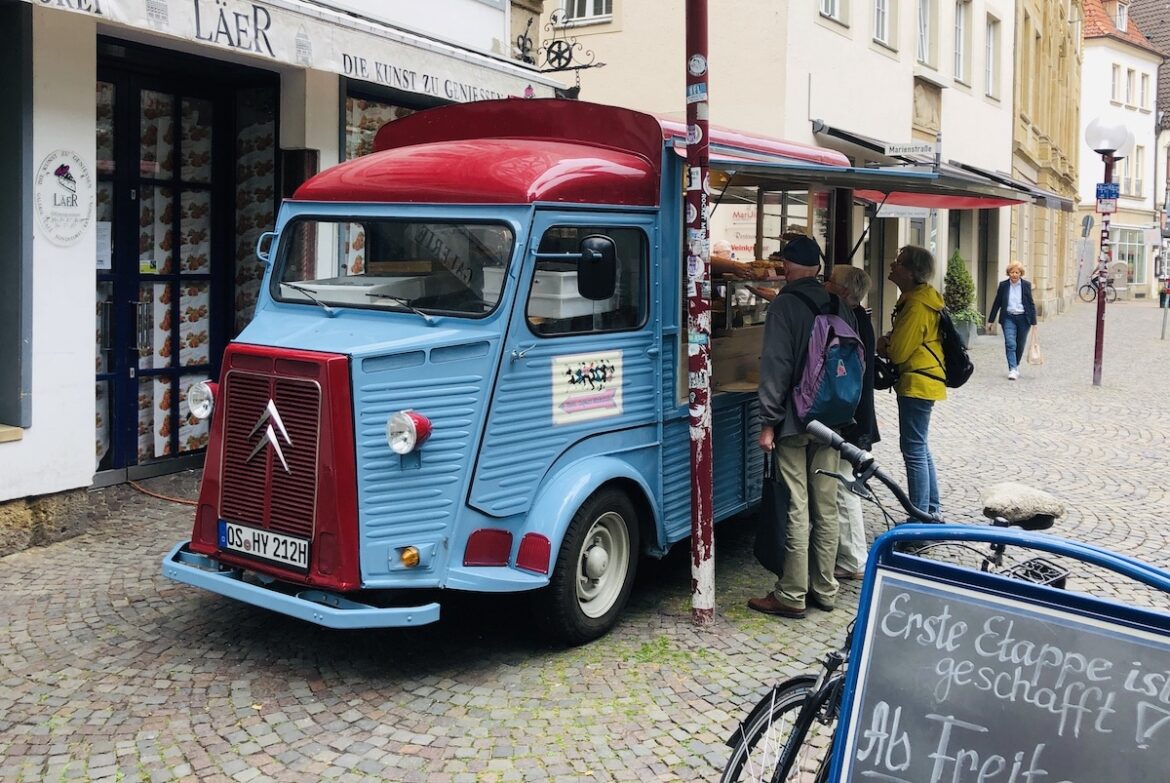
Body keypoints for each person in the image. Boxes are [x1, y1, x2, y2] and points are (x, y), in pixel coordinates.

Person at [749, 235, 857, 619]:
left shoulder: (784, 305)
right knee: (826, 505)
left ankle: (792, 593)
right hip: (832, 418)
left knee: (797, 504)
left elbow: (776, 367)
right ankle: (825, 589)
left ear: (786, 267)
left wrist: (768, 423)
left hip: (795, 421)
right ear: (817, 267)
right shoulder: (838, 303)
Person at [876, 245, 945, 520]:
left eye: (899, 262)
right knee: (920, 447)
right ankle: (931, 511)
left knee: (913, 449)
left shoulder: (916, 305)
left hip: (918, 381)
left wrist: (884, 344)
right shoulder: (922, 298)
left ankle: (919, 518)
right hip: (925, 379)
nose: (892, 265)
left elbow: (899, 352)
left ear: (912, 272)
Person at [824, 265, 878, 580]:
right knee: (844, 483)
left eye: (829, 281)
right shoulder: (860, 318)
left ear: (843, 291)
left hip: (849, 417)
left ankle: (855, 559)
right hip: (857, 414)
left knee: (844, 485)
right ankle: (850, 555)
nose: (825, 284)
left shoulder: (848, 321)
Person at [987, 262, 1037, 380]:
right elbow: (997, 303)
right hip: (1008, 317)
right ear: (1008, 273)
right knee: (1010, 343)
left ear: (1020, 273)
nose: (1014, 274)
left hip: (1023, 318)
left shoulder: (1026, 285)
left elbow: (1031, 304)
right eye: (1012, 272)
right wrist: (990, 320)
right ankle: (1013, 369)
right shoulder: (1003, 285)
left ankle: (1015, 364)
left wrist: (1034, 322)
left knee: (1020, 344)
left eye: (1016, 272)